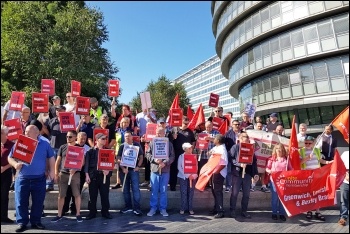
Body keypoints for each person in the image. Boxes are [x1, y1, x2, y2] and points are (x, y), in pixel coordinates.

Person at [8, 125, 55, 232]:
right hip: (22, 178)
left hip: (39, 178)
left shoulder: (45, 144)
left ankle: (36, 222)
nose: (26, 133)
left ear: (37, 133)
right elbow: (10, 157)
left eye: (28, 132)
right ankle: (22, 222)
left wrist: (52, 171)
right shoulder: (20, 143)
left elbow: (51, 157)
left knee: (38, 202)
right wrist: (15, 164)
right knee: (20, 202)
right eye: (25, 131)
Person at [51, 130, 84, 223]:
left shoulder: (79, 148)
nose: (68, 138)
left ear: (75, 137)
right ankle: (59, 214)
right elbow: (58, 161)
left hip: (75, 174)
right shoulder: (63, 147)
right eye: (67, 136)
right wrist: (56, 173)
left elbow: (82, 161)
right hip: (63, 173)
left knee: (77, 195)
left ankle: (78, 214)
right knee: (61, 195)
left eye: (70, 137)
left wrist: (76, 169)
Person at [299, 136, 332, 221]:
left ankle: (317, 211)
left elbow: (321, 161)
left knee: (317, 193)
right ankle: (309, 211)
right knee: (309, 193)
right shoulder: (301, 151)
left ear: (313, 143)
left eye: (309, 143)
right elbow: (299, 163)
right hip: (306, 175)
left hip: (317, 175)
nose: (307, 144)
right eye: (306, 143)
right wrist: (306, 158)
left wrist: (329, 162)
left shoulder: (317, 150)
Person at [145, 127, 175, 217]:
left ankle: (163, 208)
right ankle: (153, 208)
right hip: (154, 170)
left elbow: (172, 156)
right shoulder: (152, 143)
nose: (158, 135)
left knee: (163, 191)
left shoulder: (169, 144)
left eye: (160, 133)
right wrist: (155, 160)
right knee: (154, 190)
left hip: (165, 170)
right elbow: (147, 154)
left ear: (164, 134)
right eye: (157, 133)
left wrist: (165, 163)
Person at [229, 132, 259, 219]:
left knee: (246, 194)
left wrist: (255, 174)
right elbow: (231, 158)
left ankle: (244, 211)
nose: (246, 139)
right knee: (234, 193)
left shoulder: (250, 148)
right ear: (240, 139)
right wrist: (239, 164)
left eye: (247, 138)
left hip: (247, 175)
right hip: (237, 174)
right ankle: (232, 210)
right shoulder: (235, 147)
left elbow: (254, 163)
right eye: (245, 138)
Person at [84, 133, 113, 220]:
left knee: (105, 195)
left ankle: (105, 212)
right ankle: (92, 212)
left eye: (105, 139)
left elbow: (111, 164)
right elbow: (86, 165)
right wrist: (87, 175)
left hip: (104, 176)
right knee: (92, 195)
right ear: (97, 140)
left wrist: (108, 171)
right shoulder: (90, 151)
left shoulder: (109, 151)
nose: (105, 140)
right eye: (103, 139)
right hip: (93, 176)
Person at [63, 132, 90, 216]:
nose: (82, 140)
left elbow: (86, 163)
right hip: (68, 172)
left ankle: (74, 208)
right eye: (81, 138)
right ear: (76, 138)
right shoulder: (71, 145)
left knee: (77, 192)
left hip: (80, 173)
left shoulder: (88, 148)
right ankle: (64, 208)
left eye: (84, 139)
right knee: (67, 191)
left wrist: (86, 174)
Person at [117, 131, 144, 216]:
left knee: (135, 189)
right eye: (125, 137)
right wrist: (123, 168)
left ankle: (137, 208)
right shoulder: (122, 146)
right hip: (124, 171)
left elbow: (141, 157)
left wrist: (138, 167)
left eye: (128, 136)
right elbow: (118, 158)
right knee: (125, 190)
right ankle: (128, 206)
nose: (127, 138)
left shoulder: (137, 145)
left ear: (132, 137)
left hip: (134, 170)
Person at [265, 143, 292, 221]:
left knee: (282, 198)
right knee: (275, 198)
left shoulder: (286, 159)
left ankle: (282, 213)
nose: (279, 150)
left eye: (280, 148)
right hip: (274, 181)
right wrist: (270, 171)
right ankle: (274, 213)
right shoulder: (272, 159)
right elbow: (267, 168)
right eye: (277, 148)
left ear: (283, 150)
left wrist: (289, 174)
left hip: (284, 182)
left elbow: (291, 169)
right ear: (275, 150)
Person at [171, 116, 196, 191]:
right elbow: (169, 139)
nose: (186, 124)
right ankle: (173, 186)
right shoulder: (175, 129)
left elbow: (193, 141)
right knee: (174, 169)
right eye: (184, 122)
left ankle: (188, 185)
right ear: (181, 121)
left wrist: (192, 149)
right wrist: (173, 137)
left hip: (186, 154)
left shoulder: (190, 131)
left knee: (187, 169)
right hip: (176, 153)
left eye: (187, 122)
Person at [208, 134, 228, 218]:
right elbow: (210, 152)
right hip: (214, 172)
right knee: (214, 191)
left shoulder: (222, 149)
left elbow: (224, 163)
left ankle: (220, 211)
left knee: (218, 191)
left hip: (219, 173)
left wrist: (216, 172)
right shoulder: (217, 147)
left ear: (218, 141)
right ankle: (216, 208)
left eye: (215, 139)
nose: (214, 140)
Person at [178, 142, 198, 215]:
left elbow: (195, 166)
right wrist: (187, 175)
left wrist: (192, 175)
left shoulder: (194, 156)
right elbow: (179, 167)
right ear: (185, 149)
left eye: (191, 148)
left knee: (191, 193)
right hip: (183, 177)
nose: (191, 149)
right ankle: (183, 208)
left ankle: (190, 208)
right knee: (183, 193)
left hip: (192, 177)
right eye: (189, 148)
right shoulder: (181, 156)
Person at [1, 125, 15, 223]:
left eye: (1, 133)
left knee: (4, 195)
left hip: (6, 173)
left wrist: (4, 167)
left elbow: (14, 159)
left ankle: (3, 216)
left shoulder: (12, 145)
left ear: (6, 134)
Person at [224, 119, 240, 193]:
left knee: (238, 170)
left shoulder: (242, 133)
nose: (237, 126)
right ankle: (228, 186)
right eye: (235, 124)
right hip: (230, 153)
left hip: (240, 154)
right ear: (232, 125)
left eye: (238, 124)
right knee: (229, 170)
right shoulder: (228, 133)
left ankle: (238, 186)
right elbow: (224, 144)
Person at [338, 150, 349, 226]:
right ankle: (343, 217)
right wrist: (346, 174)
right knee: (344, 201)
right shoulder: (345, 153)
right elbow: (339, 165)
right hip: (345, 181)